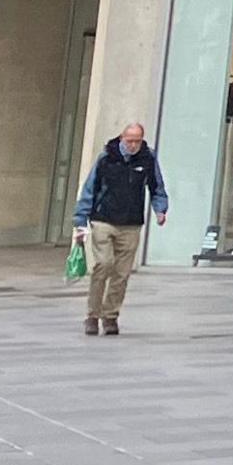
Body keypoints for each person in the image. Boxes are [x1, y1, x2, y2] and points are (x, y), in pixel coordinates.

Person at [70, 122, 169, 336]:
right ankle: (92, 315)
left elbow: (157, 187)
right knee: (104, 265)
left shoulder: (148, 159)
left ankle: (110, 316)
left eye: (137, 141)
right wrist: (80, 220)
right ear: (122, 138)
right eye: (129, 140)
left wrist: (160, 210)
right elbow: (90, 189)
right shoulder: (107, 158)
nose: (133, 145)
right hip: (103, 219)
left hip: (131, 223)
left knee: (122, 273)